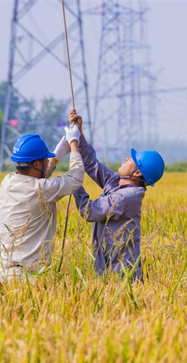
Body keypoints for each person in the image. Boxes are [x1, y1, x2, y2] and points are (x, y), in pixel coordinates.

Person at [70, 109, 165, 282]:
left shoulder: (124, 199)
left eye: (132, 160)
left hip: (122, 275)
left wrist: (74, 183)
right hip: (108, 267)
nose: (127, 158)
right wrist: (79, 134)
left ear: (137, 173)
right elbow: (91, 164)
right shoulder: (117, 182)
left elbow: (89, 211)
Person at [0, 124, 83, 282]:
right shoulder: (40, 189)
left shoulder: (7, 182)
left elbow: (37, 181)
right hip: (22, 278)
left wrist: (56, 157)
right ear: (37, 164)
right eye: (45, 160)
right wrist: (73, 144)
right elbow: (75, 178)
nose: (47, 162)